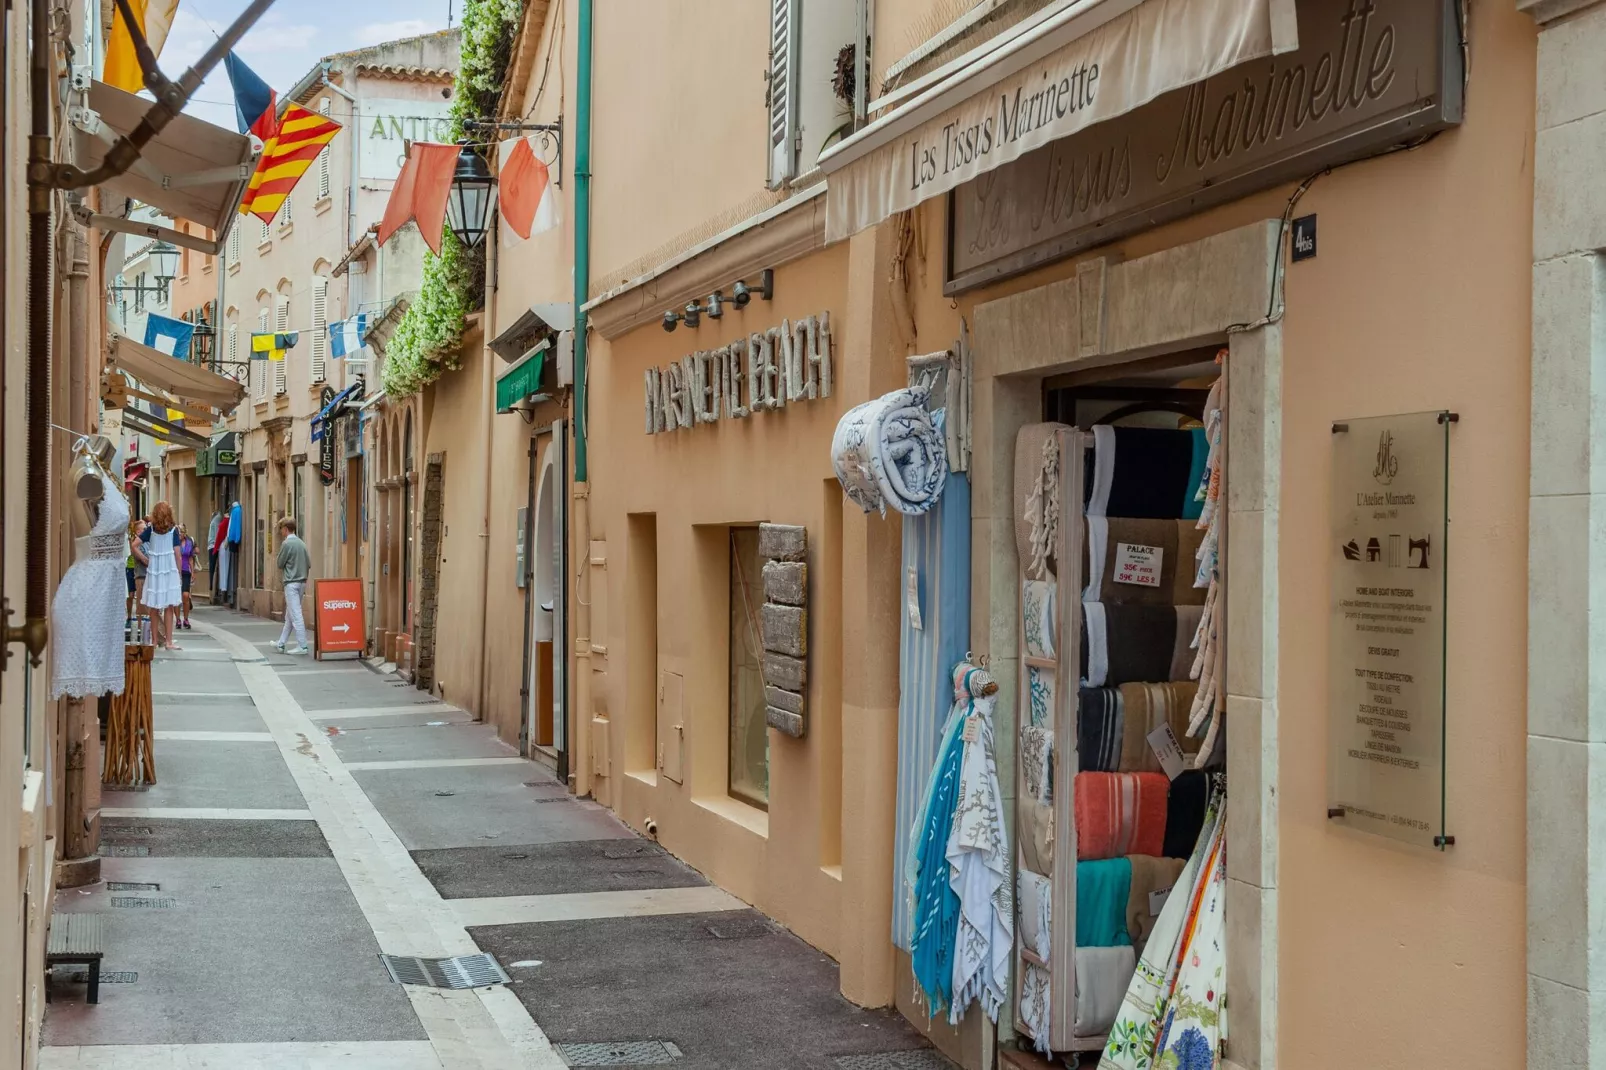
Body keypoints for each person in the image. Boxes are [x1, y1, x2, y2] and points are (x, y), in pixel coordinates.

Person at [140, 502, 183, 650]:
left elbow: (134, 545)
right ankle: (168, 641)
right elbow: (178, 555)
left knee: (153, 607)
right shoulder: (173, 532)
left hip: (154, 571)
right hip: (169, 571)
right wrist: (178, 573)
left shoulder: (150, 531)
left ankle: (153, 640)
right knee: (169, 607)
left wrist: (144, 558)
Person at [273, 517, 312, 655]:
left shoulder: (286, 544)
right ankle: (281, 643)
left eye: (281, 530)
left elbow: (279, 563)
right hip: (302, 582)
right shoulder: (302, 543)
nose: (281, 533)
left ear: (285, 529)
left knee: (295, 614)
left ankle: (302, 645)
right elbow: (308, 563)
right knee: (290, 615)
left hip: (291, 583)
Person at [125, 517, 147, 622]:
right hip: (136, 572)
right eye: (144, 529)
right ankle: (132, 618)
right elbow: (142, 558)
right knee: (133, 596)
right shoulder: (135, 542)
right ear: (138, 531)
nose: (146, 530)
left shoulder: (147, 542)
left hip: (145, 574)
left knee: (145, 601)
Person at [177, 524, 196, 629]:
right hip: (175, 572)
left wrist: (193, 572)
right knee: (177, 597)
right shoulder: (174, 543)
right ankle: (178, 619)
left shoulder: (189, 543)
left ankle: (186, 618)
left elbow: (190, 558)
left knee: (185, 595)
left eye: (182, 532)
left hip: (185, 571)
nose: (180, 534)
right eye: (179, 532)